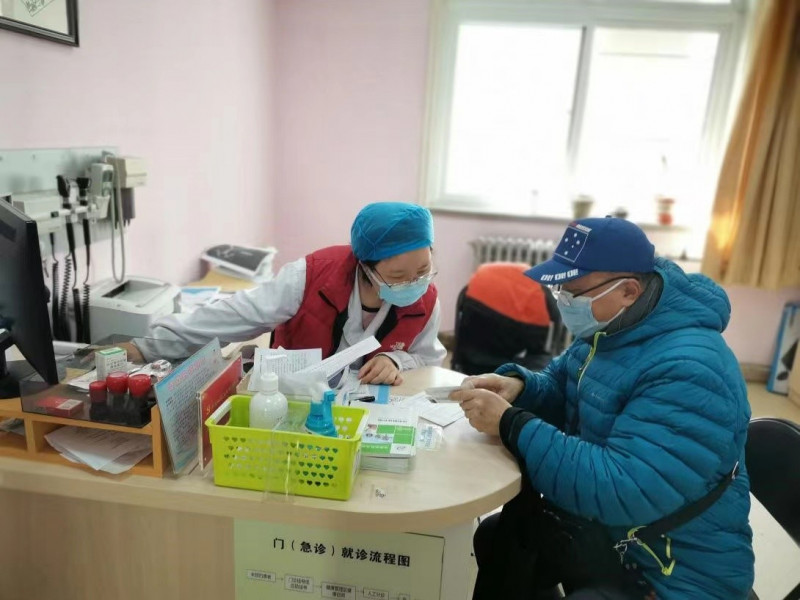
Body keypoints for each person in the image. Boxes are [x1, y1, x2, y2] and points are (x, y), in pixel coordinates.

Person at [453, 217, 754, 599]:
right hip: (615, 535)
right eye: (561, 290)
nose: (564, 302)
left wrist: (512, 423)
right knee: (500, 539)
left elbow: (622, 488)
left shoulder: (691, 369)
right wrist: (522, 388)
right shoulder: (610, 329)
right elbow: (563, 385)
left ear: (628, 290)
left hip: (670, 568)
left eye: (575, 293)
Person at [130, 202, 446, 385]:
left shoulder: (427, 300)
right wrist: (147, 347)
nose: (414, 283)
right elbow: (231, 317)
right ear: (364, 265)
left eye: (423, 270)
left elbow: (429, 359)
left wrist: (395, 360)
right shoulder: (309, 276)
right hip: (294, 399)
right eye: (397, 276)